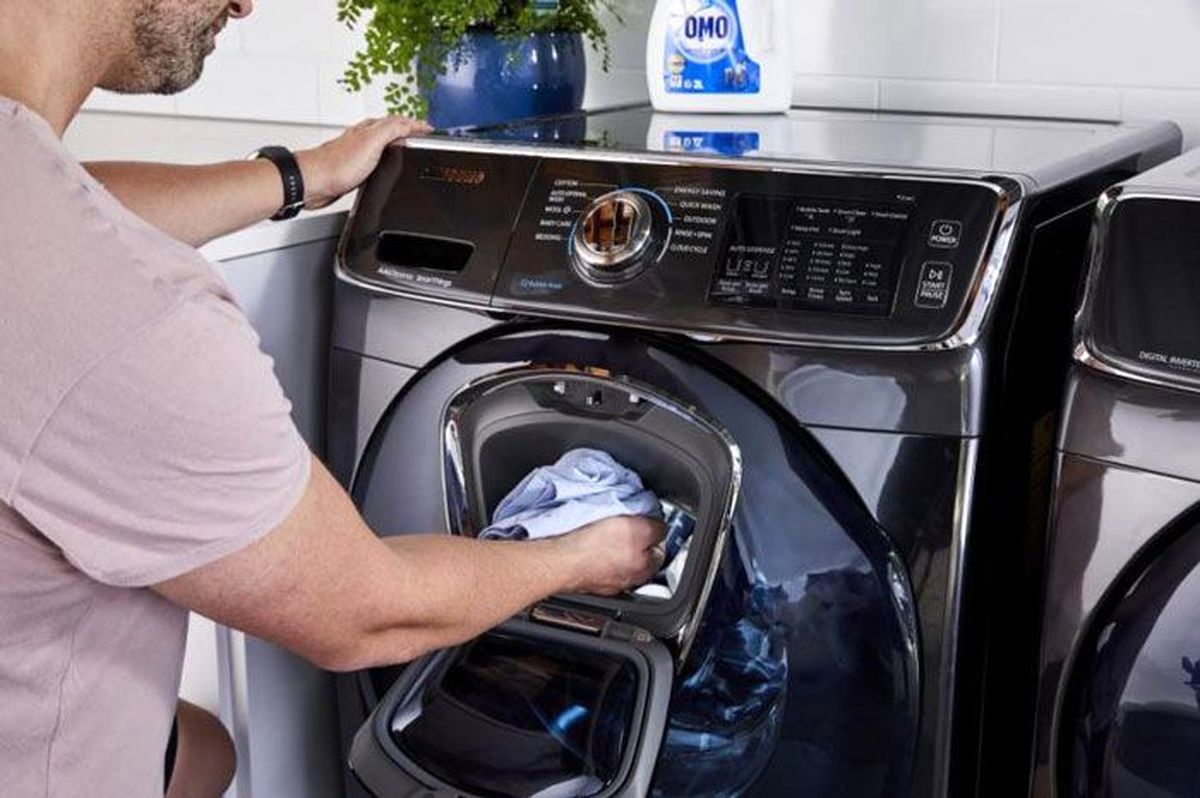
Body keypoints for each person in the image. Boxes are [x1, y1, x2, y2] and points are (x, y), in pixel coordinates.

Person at [0, 1, 667, 797]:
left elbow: (73, 208)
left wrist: (300, 176)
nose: (246, 4)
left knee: (204, 751)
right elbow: (367, 613)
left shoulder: (32, 203)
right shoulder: (135, 318)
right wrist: (581, 556)